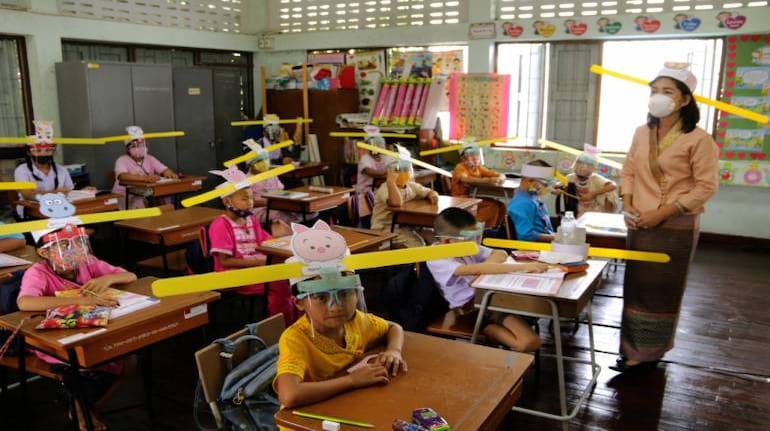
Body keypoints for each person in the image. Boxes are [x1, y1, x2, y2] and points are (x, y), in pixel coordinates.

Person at [613, 63, 719, 372]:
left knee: (661, 290)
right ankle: (630, 347)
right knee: (635, 285)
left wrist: (662, 212)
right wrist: (629, 205)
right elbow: (629, 170)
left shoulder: (699, 139)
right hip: (640, 221)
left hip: (675, 226)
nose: (658, 97)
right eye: (654, 91)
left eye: (667, 91)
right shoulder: (641, 132)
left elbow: (705, 187)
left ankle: (649, 352)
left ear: (685, 100)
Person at [17, 224, 137, 431]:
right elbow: (25, 303)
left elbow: (130, 276)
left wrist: (108, 278)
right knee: (81, 365)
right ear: (43, 252)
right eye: (64, 245)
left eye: (79, 243)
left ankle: (87, 407)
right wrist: (79, 300)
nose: (75, 250)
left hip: (95, 330)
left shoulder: (88, 263)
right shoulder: (37, 272)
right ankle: (84, 409)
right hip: (57, 337)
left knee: (130, 361)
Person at [273, 227, 406, 410]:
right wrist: (352, 380)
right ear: (299, 303)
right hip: (310, 416)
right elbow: (290, 395)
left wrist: (394, 351)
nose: (335, 307)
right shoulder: (295, 338)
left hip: (351, 404)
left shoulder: (357, 321)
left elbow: (394, 327)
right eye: (320, 297)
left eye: (344, 293)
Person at [426, 208, 546, 352]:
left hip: (489, 299)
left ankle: (495, 337)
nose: (476, 242)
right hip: (471, 309)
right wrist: (520, 267)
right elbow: (474, 270)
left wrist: (484, 269)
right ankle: (488, 332)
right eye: (470, 238)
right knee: (529, 342)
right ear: (447, 241)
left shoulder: (464, 247)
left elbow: (500, 253)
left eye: (477, 235)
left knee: (534, 310)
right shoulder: (436, 258)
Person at [208, 166, 295, 325]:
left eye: (251, 198)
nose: (250, 203)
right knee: (278, 284)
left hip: (256, 268)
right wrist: (259, 263)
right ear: (227, 201)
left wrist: (280, 236)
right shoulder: (220, 224)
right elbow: (225, 261)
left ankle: (294, 320)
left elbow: (266, 243)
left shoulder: (251, 220)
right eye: (244, 199)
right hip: (233, 274)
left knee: (290, 276)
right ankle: (283, 327)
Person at [370, 159, 439, 247]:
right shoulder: (386, 188)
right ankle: (419, 260)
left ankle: (434, 260)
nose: (404, 173)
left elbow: (429, 191)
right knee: (418, 244)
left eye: (406, 170)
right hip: (386, 228)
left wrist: (433, 195)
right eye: (399, 171)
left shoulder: (410, 185)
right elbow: (396, 203)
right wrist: (391, 182)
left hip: (406, 225)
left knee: (434, 237)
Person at [244, 140, 305, 234]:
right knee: (282, 216)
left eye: (266, 159)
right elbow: (246, 202)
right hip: (259, 210)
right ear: (251, 164)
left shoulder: (271, 175)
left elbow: (281, 191)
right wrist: (268, 203)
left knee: (303, 213)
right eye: (260, 161)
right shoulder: (246, 180)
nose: (264, 162)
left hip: (277, 205)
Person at [111, 126, 178, 209]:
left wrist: (170, 174)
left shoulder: (150, 158)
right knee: (139, 202)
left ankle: (166, 219)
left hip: (145, 193)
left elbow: (164, 169)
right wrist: (145, 178)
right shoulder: (121, 160)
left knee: (164, 197)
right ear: (128, 149)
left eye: (142, 145)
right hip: (125, 194)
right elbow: (122, 176)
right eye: (135, 146)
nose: (140, 148)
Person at [450, 143, 507, 228]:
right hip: (461, 198)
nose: (475, 158)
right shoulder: (460, 167)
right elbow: (465, 179)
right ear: (463, 159)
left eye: (476, 155)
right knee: (492, 206)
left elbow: (495, 174)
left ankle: (495, 229)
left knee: (502, 206)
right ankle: (472, 226)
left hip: (474, 196)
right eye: (471, 155)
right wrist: (488, 180)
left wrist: (501, 177)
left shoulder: (478, 167)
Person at [507, 160, 557, 242]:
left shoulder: (532, 196)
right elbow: (525, 236)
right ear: (530, 180)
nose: (548, 187)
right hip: (535, 248)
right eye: (545, 184)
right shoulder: (522, 203)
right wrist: (554, 237)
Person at [565, 144, 619, 217]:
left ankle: (607, 217)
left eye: (587, 165)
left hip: (595, 212)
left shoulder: (595, 178)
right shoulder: (571, 177)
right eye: (579, 163)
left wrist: (592, 194)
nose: (582, 167)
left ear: (593, 168)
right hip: (577, 211)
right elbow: (558, 185)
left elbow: (613, 185)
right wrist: (557, 189)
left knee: (609, 193)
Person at [356, 135, 392, 226]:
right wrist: (386, 172)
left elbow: (393, 168)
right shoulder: (365, 158)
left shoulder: (386, 157)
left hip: (379, 190)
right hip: (365, 192)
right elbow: (371, 172)